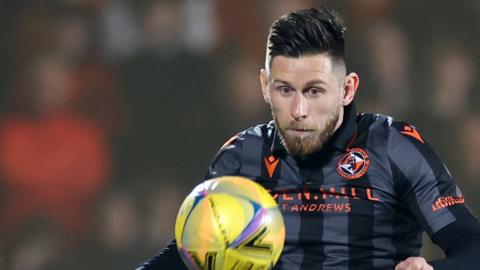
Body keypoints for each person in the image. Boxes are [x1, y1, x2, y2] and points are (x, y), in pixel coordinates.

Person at [136, 7, 480, 270]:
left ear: (347, 89)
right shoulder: (241, 156)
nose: (299, 110)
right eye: (284, 90)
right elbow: (188, 253)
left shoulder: (394, 147)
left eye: (314, 91)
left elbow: (471, 245)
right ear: (264, 87)